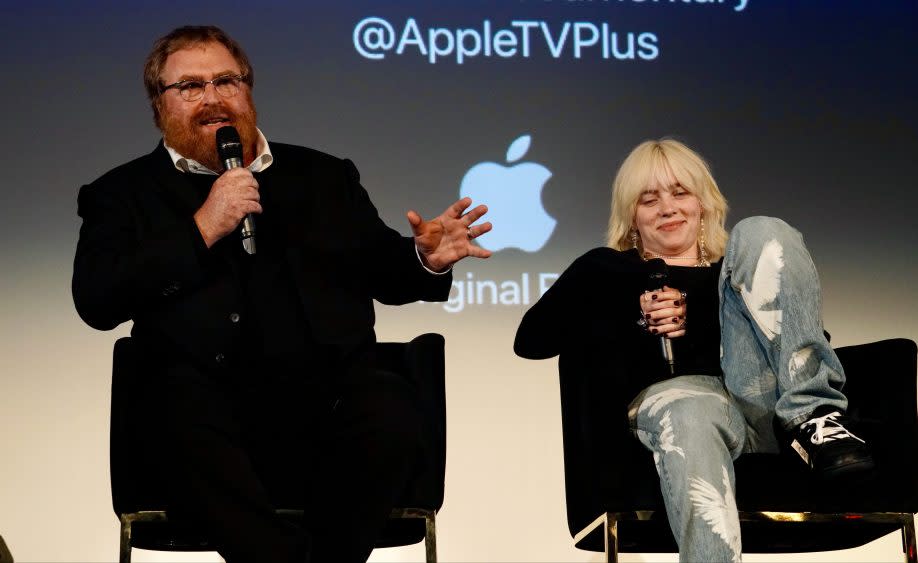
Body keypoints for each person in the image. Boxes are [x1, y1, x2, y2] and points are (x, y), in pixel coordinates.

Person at [72, 25, 491, 563]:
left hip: (325, 405)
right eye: (191, 87)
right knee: (169, 410)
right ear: (160, 104)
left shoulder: (323, 176)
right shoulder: (120, 194)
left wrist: (423, 259)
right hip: (204, 416)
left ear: (248, 90)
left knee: (392, 409)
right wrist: (201, 228)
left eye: (226, 81)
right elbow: (97, 300)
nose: (213, 99)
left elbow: (386, 272)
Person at [513, 138, 873, 562]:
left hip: (764, 404)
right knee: (690, 409)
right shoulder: (605, 269)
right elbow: (531, 340)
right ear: (632, 214)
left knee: (762, 228)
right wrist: (632, 314)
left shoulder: (737, 273)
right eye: (649, 199)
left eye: (680, 193)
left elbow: (803, 337)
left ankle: (813, 415)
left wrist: (698, 309)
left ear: (703, 203)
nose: (667, 208)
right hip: (679, 408)